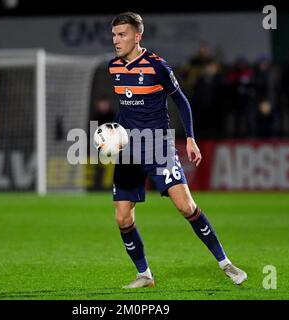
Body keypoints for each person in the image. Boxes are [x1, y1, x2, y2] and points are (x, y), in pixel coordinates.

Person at [108, 12, 247, 289]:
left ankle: (225, 263)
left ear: (137, 36)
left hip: (158, 146)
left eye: (122, 34)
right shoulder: (112, 68)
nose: (116, 40)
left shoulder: (157, 66)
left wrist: (191, 139)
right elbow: (125, 109)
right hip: (129, 151)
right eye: (113, 35)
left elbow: (181, 101)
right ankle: (144, 275)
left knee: (186, 206)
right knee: (123, 216)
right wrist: (114, 134)